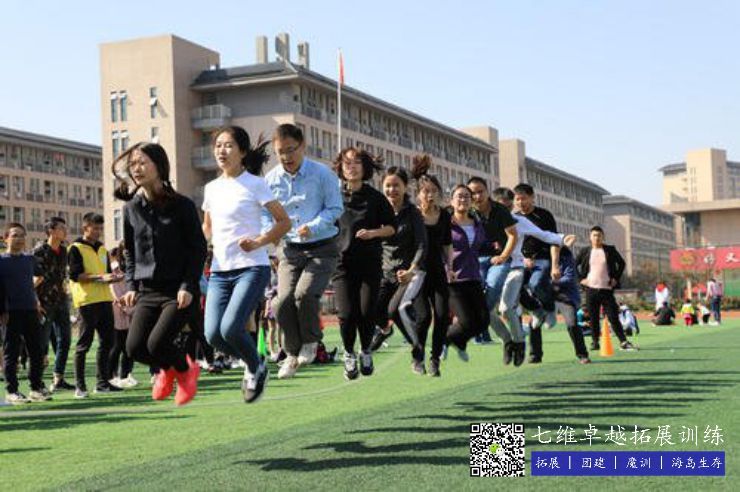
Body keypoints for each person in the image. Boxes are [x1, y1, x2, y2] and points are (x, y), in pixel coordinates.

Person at [114, 142, 207, 406]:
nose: (136, 169)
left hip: (178, 291)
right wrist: (131, 286)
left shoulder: (183, 205)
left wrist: (188, 285)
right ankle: (170, 369)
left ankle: (185, 372)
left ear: (159, 166)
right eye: (133, 164)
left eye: (142, 162)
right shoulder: (131, 208)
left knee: (156, 344)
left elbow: (198, 249)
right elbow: (130, 253)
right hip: (147, 290)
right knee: (134, 348)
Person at [202, 126, 290, 402]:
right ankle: (256, 362)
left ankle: (254, 367)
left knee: (230, 328)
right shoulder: (211, 188)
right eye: (218, 145)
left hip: (251, 267)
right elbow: (207, 226)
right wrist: (202, 242)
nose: (222, 150)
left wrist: (259, 242)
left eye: (228, 145)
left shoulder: (255, 184)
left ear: (242, 151)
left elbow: (283, 222)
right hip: (220, 271)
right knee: (213, 335)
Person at [264, 124, 343, 379]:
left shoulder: (323, 174)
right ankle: (291, 353)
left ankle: (310, 342)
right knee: (281, 301)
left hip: (322, 247)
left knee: (304, 294)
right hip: (289, 250)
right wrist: (271, 233)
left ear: (303, 146)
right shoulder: (271, 180)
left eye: (291, 150)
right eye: (280, 152)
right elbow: (264, 215)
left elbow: (335, 208)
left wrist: (314, 226)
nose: (286, 156)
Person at [491, 187, 576, 365]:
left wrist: (562, 239)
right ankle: (511, 340)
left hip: (523, 264)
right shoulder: (485, 220)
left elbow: (545, 235)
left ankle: (540, 314)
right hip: (498, 267)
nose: (519, 204)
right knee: (491, 309)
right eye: (517, 200)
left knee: (511, 304)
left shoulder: (520, 220)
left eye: (508, 206)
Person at [332, 147, 395, 380]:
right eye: (347, 163)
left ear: (365, 167)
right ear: (341, 168)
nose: (352, 167)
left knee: (367, 312)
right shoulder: (333, 197)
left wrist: (373, 233)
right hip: (341, 265)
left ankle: (365, 350)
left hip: (370, 264)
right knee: (347, 314)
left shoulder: (375, 198)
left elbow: (391, 228)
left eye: (357, 162)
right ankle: (349, 353)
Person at [370, 164, 429, 374]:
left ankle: (417, 355)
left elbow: (422, 245)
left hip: (409, 273)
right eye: (388, 185)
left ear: (405, 187)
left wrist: (412, 269)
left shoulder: (413, 213)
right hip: (384, 272)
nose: (392, 190)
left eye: (396, 185)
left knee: (395, 310)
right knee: (371, 309)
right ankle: (385, 329)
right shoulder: (377, 213)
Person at [68, 213, 124, 398]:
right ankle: (80, 386)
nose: (99, 231)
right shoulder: (75, 248)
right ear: (85, 228)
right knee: (84, 344)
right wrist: (101, 277)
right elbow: (76, 276)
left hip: (105, 300)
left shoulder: (102, 249)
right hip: (86, 301)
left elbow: (105, 275)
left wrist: (114, 278)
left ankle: (102, 383)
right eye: (95, 228)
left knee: (108, 342)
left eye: (101, 228)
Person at [0, 223, 50, 404]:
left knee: (36, 351)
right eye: (15, 235)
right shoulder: (1, 261)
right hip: (10, 313)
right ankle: (12, 391)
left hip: (30, 310)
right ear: (5, 238)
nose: (19, 239)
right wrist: (2, 310)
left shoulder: (29, 259)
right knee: (11, 353)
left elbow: (38, 277)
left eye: (22, 235)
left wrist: (35, 300)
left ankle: (36, 388)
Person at [412, 158, 452, 376]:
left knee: (443, 315)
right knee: (424, 316)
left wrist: (450, 267)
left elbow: (447, 244)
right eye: (426, 191)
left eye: (434, 191)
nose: (430, 195)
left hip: (438, 271)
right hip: (417, 273)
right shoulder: (413, 214)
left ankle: (435, 358)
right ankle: (417, 358)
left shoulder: (444, 215)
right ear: (419, 193)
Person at [513, 183, 561, 362]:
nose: (521, 202)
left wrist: (555, 266)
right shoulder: (513, 218)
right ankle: (531, 353)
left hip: (542, 260)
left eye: (524, 198)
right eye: (517, 199)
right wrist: (522, 258)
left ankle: (549, 307)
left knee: (535, 285)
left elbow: (554, 241)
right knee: (523, 303)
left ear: (532, 197)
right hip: (520, 262)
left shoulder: (544, 216)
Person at [467, 177, 517, 345]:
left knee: (493, 287)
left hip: (499, 260)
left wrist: (503, 256)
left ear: (487, 191)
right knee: (474, 293)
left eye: (480, 191)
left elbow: (513, 235)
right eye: (472, 193)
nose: (477, 196)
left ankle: (479, 327)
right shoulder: (467, 212)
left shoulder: (500, 210)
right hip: (475, 260)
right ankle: (481, 333)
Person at [576, 226, 637, 352]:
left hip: (606, 290)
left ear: (603, 237)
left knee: (613, 316)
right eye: (594, 235)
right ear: (590, 237)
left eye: (599, 235)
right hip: (591, 290)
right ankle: (595, 342)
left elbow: (622, 263)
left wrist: (615, 278)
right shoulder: (585, 251)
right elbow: (573, 265)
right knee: (593, 318)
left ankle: (623, 341)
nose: (597, 238)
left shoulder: (610, 250)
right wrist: (581, 279)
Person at [447, 185, 490, 361]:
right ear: (451, 201)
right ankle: (444, 340)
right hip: (453, 279)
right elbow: (438, 250)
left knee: (483, 321)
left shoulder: (477, 224)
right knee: (466, 321)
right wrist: (446, 269)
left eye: (466, 196)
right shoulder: (446, 224)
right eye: (459, 196)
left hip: (473, 276)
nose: (463, 199)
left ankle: (457, 341)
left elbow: (481, 246)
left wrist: (496, 249)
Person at [32, 216, 75, 392]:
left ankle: (58, 378)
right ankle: (37, 382)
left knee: (65, 339)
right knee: (41, 343)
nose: (65, 231)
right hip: (44, 302)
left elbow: (62, 275)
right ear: (51, 231)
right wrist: (35, 301)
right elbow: (34, 279)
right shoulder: (39, 250)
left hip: (61, 300)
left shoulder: (64, 251)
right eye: (61, 228)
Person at [108, 244, 136, 388]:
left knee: (129, 346)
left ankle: (125, 374)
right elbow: (114, 290)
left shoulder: (133, 266)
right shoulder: (115, 269)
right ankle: (111, 375)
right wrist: (128, 308)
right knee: (117, 345)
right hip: (119, 313)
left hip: (131, 312)